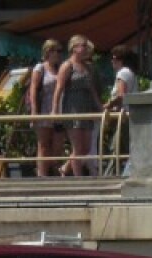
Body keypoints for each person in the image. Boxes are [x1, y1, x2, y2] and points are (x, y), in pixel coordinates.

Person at [51, 35, 103, 177]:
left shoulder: (88, 67)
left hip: (86, 108)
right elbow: (59, 88)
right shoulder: (67, 66)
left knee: (86, 147)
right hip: (73, 108)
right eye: (83, 46)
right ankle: (78, 177)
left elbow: (92, 89)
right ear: (74, 48)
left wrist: (100, 107)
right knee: (78, 147)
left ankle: (65, 168)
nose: (86, 49)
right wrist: (55, 110)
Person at [28, 38, 65, 178]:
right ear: (49, 52)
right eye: (58, 51)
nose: (60, 54)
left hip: (59, 110)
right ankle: (42, 175)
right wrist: (34, 110)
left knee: (58, 146)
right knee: (43, 144)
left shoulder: (61, 68)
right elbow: (33, 88)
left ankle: (56, 172)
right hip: (44, 109)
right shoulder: (40, 68)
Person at [104, 45, 138, 173]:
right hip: (129, 116)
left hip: (121, 117)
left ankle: (109, 176)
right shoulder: (132, 73)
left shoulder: (123, 73)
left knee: (116, 148)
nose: (112, 61)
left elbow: (121, 95)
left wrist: (108, 105)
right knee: (125, 148)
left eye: (114, 58)